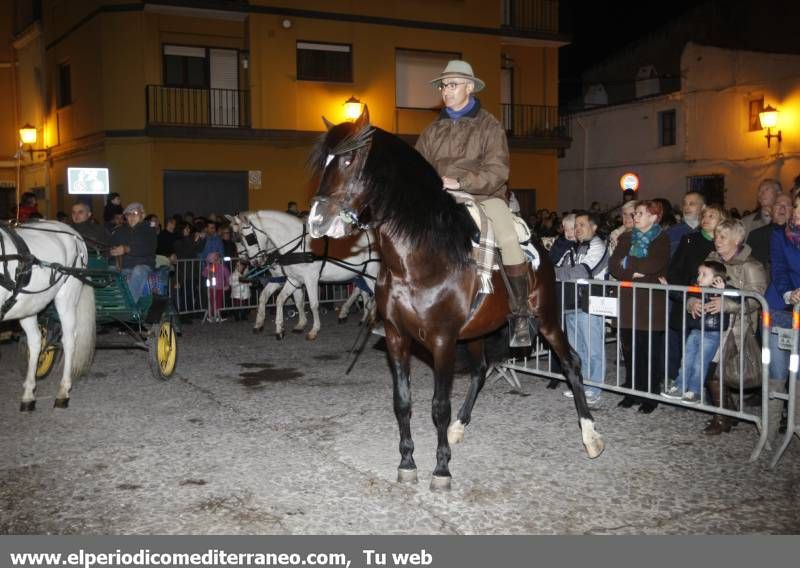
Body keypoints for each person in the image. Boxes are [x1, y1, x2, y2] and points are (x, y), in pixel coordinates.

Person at [415, 59, 530, 347]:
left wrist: (462, 183)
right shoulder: (432, 130)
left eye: (452, 85)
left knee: (507, 238)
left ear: (469, 87)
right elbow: (418, 167)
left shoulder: (489, 125)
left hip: (484, 196)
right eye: (443, 85)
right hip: (441, 198)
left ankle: (521, 314)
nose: (446, 90)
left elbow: (498, 170)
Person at [701, 219, 767, 435]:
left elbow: (756, 300)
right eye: (716, 236)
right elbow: (696, 287)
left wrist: (726, 304)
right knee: (713, 371)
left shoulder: (752, 266)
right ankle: (728, 413)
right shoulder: (711, 262)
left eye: (723, 237)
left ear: (737, 240)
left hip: (737, 328)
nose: (717, 241)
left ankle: (723, 417)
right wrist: (691, 302)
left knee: (715, 372)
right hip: (711, 324)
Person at [609, 200, 670, 413]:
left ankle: (650, 395)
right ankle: (632, 391)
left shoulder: (661, 239)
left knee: (649, 351)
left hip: (650, 303)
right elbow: (614, 266)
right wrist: (633, 270)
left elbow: (653, 264)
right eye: (634, 213)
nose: (635, 217)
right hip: (628, 302)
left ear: (653, 217)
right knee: (630, 350)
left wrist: (629, 264)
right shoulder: (626, 237)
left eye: (640, 213)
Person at [555, 212, 608, 408]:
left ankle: (595, 388)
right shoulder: (575, 248)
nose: (577, 229)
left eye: (582, 225)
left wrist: (557, 274)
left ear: (593, 228)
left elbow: (583, 271)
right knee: (577, 349)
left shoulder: (597, 246)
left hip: (590, 304)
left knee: (593, 349)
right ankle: (581, 384)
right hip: (572, 304)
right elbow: (559, 266)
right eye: (576, 225)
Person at [662, 261, 730, 404]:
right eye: (699, 273)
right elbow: (682, 295)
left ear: (717, 278)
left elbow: (738, 297)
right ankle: (680, 387)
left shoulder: (722, 291)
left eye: (704, 274)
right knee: (686, 359)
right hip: (695, 330)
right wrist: (668, 288)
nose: (699, 277)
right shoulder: (696, 290)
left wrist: (723, 291)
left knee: (700, 362)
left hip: (712, 333)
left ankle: (695, 391)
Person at [763, 193, 800, 446]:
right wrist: (791, 294)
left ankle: (795, 428)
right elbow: (778, 268)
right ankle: (770, 428)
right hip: (781, 307)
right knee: (777, 370)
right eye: (797, 205)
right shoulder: (780, 235)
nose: (796, 210)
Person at [109, 202, 157, 303]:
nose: (131, 216)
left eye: (134, 213)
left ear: (142, 215)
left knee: (138, 270)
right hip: (124, 265)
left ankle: (129, 305)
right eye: (128, 214)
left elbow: (148, 248)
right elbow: (111, 247)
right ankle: (108, 304)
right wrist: (113, 253)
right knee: (109, 270)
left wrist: (127, 249)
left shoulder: (149, 229)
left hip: (144, 264)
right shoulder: (119, 231)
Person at [746, 191, 792, 273]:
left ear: (793, 211)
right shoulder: (756, 235)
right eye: (778, 204)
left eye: (787, 205)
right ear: (771, 209)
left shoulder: (796, 237)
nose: (782, 208)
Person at [666, 191, 705, 256]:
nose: (686, 207)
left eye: (691, 204)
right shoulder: (672, 231)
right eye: (684, 204)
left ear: (703, 207)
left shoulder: (710, 231)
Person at [202, 251, 230, 323]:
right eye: (214, 258)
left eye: (217, 258)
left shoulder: (222, 267)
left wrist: (227, 285)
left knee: (218, 301)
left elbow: (227, 276)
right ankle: (212, 316)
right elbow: (204, 274)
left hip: (220, 288)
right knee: (212, 301)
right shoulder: (210, 267)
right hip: (211, 288)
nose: (216, 260)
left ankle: (217, 316)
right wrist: (207, 269)